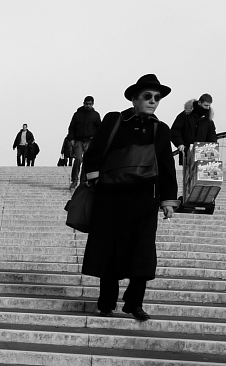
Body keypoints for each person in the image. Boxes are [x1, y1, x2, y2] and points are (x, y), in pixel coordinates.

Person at [80, 74, 178, 322]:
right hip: (111, 197)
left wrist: (168, 200)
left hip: (145, 200)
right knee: (109, 250)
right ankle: (106, 303)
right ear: (134, 98)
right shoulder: (115, 120)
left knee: (143, 252)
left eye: (157, 98)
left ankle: (134, 303)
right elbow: (95, 152)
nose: (153, 101)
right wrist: (93, 179)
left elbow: (167, 165)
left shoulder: (161, 129)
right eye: (148, 96)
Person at [171, 94, 217, 166]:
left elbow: (212, 135)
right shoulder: (185, 115)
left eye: (209, 106)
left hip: (203, 156)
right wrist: (179, 143)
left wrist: (212, 148)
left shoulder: (208, 120)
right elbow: (175, 130)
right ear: (199, 103)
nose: (207, 108)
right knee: (188, 176)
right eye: (205, 105)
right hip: (186, 153)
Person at [67, 96, 101, 189]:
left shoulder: (95, 115)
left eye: (90, 104)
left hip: (90, 141)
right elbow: (71, 128)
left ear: (92, 104)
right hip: (79, 140)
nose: (88, 106)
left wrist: (97, 141)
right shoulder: (77, 114)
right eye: (86, 104)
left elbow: (99, 129)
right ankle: (74, 180)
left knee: (87, 162)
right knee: (78, 159)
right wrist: (72, 139)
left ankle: (83, 181)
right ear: (83, 103)